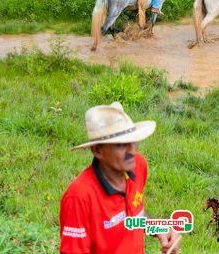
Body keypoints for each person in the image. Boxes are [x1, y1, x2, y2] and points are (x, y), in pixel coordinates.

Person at [60, 102, 181, 254]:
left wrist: (160, 228)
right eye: (121, 145)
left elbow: (133, 212)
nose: (132, 151)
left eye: (133, 140)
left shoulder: (138, 165)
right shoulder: (79, 197)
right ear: (98, 150)